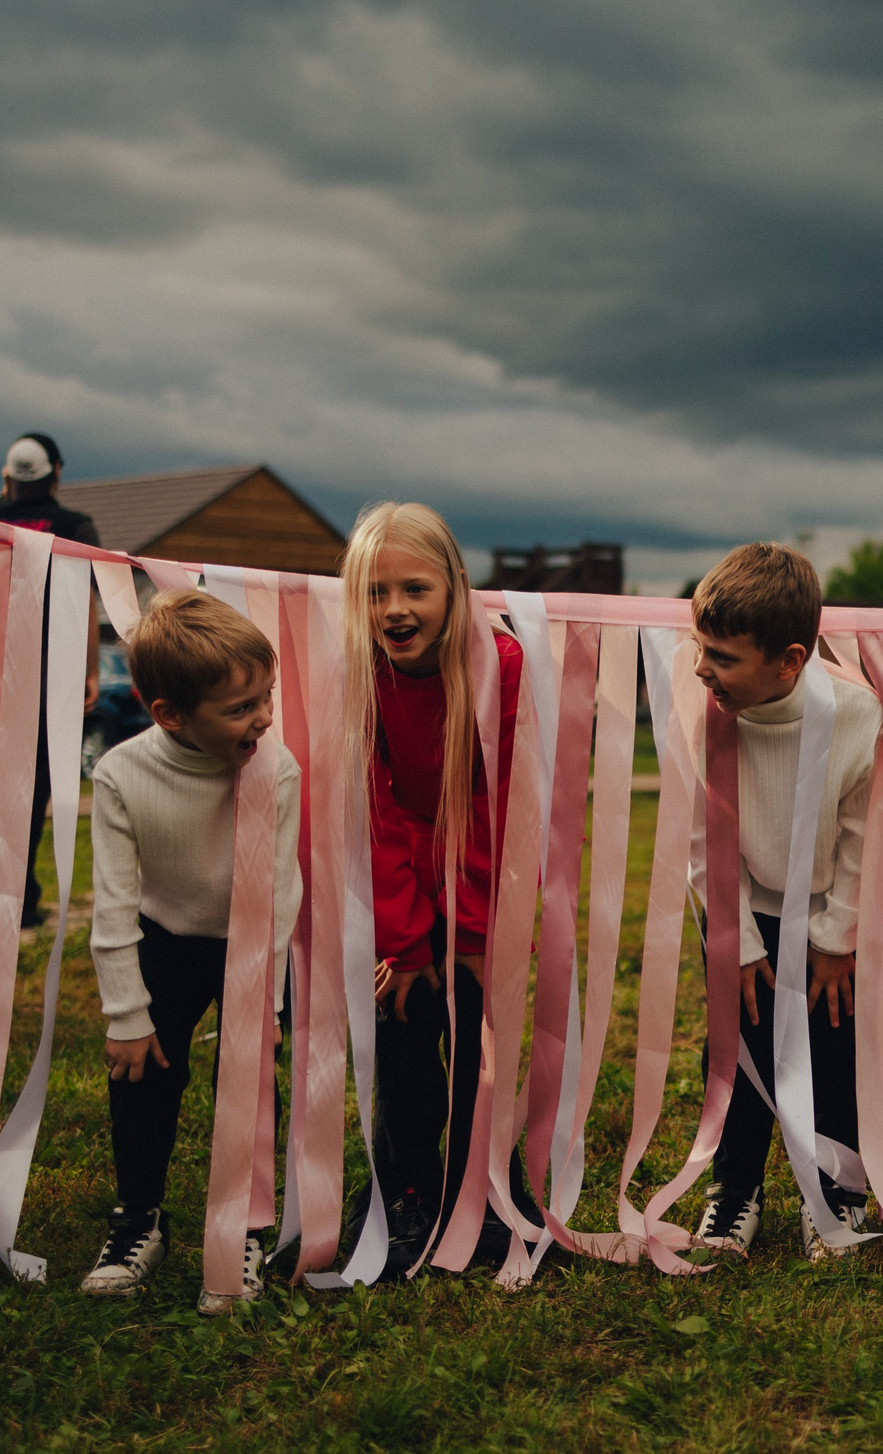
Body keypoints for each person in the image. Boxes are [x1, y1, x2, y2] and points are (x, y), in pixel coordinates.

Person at [79, 590, 301, 1314]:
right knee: (143, 1079)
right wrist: (126, 1012)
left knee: (247, 1085)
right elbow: (111, 905)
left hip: (246, 948)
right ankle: (138, 1218)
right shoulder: (120, 775)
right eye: (240, 708)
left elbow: (280, 892)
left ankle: (240, 1224)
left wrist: (265, 1000)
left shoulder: (279, 768)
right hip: (163, 941)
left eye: (264, 697)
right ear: (169, 712)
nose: (262, 718)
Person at [341, 502, 531, 1278]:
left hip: (483, 871)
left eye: (414, 588)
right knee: (406, 1012)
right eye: (376, 592)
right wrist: (406, 940)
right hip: (400, 874)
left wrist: (477, 936)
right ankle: (407, 1192)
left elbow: (501, 807)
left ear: (455, 587)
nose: (394, 610)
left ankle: (488, 1192)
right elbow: (376, 808)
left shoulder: (502, 665)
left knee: (480, 1036)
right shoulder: (362, 668)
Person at [684, 543, 883, 1261]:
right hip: (741, 912)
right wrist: (735, 942)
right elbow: (702, 836)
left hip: (827, 912)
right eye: (700, 648)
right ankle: (734, 1191)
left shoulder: (857, 716)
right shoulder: (705, 710)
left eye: (723, 657)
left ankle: (836, 1194)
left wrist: (835, 937)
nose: (704, 669)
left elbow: (863, 835)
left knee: (832, 1052)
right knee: (738, 1052)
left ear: (789, 659)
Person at [0, 432, 102, 929]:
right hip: (51, 678)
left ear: (7, 476)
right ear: (58, 473)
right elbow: (84, 600)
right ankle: (21, 899)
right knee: (35, 790)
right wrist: (89, 670)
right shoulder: (73, 527)